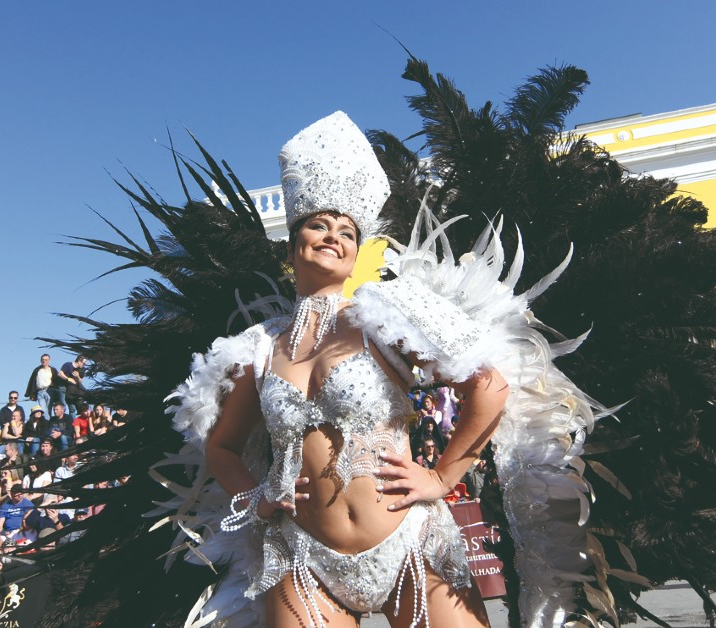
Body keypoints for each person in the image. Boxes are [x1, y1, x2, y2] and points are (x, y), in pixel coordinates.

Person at [192, 113, 510, 627]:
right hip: (302, 558)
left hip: (410, 544)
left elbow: (489, 386)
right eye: (319, 225)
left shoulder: (382, 316)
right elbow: (221, 448)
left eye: (347, 232)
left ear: (356, 251)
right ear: (292, 244)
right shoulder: (259, 347)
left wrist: (441, 476)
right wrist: (256, 499)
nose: (333, 237)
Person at [25, 354, 58, 418]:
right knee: (43, 410)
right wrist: (32, 394)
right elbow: (32, 382)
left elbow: (56, 381)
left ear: (48, 360)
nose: (44, 361)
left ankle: (48, 422)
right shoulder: (37, 370)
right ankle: (47, 421)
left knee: (49, 409)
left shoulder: (52, 370)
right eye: (43, 360)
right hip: (40, 391)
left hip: (49, 391)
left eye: (46, 360)